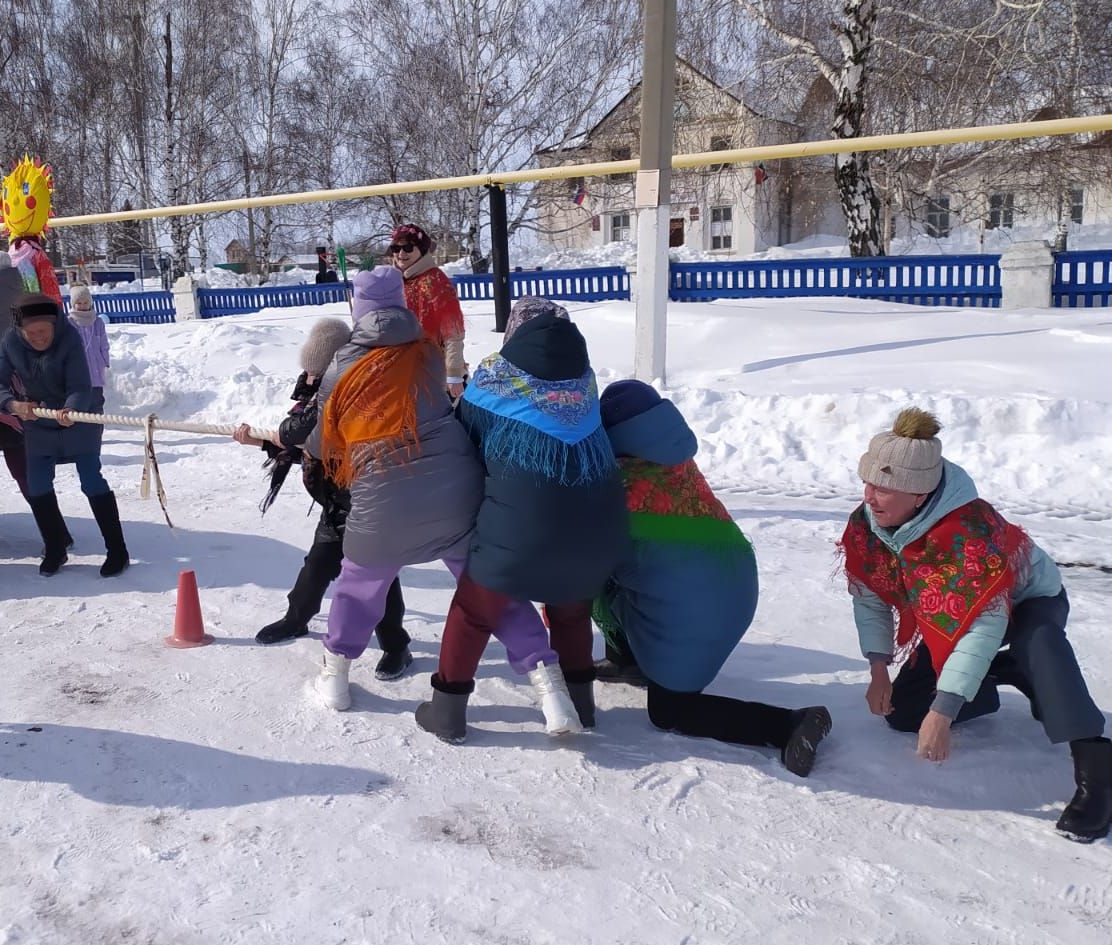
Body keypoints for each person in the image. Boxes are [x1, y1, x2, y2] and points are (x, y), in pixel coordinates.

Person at [842, 408, 1109, 840]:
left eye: (884, 489)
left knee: (1039, 645)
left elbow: (982, 626)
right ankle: (1007, 671)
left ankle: (1097, 774)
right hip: (953, 613)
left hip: (1027, 600)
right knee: (907, 713)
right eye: (868, 483)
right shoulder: (870, 523)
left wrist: (944, 714)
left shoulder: (969, 536)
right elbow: (869, 597)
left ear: (919, 494)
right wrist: (878, 670)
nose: (870, 497)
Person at [595, 380, 833, 775]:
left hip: (696, 607)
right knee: (621, 578)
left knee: (670, 711)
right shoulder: (674, 462)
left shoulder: (619, 481)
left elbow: (588, 559)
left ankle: (790, 723)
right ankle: (629, 661)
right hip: (736, 582)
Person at [420, 299, 630, 743]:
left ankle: (446, 712)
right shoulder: (585, 383)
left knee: (473, 612)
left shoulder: (492, 382)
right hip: (600, 531)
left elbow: (466, 445)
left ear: (514, 334)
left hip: (521, 534)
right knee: (570, 613)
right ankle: (582, 707)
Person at [307, 266, 504, 710]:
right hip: (455, 494)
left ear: (357, 308)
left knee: (357, 588)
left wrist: (287, 435)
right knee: (486, 581)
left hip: (384, 502)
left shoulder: (341, 364)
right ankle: (546, 678)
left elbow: (324, 443)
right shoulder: (430, 355)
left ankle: (335, 677)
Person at [233, 318, 413, 677]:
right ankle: (296, 619)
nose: (310, 378)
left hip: (369, 502)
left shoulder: (356, 397)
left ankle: (397, 646)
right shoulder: (313, 393)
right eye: (308, 371)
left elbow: (312, 436)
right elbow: (306, 446)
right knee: (316, 565)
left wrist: (279, 438)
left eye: (317, 372)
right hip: (336, 502)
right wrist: (262, 441)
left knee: (378, 579)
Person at [0, 297, 129, 578]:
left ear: (55, 325)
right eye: (32, 333)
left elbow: (81, 385)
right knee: (36, 482)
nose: (39, 338)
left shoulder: (69, 337)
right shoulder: (11, 342)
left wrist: (71, 408)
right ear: (20, 331)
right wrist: (13, 405)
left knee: (91, 478)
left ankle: (117, 550)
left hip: (80, 415)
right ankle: (55, 546)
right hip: (38, 417)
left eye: (44, 332)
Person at [389, 223, 467, 398]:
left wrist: (453, 373)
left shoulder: (435, 280)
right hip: (403, 369)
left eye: (408, 248)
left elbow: (453, 330)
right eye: (395, 248)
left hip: (433, 370)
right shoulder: (394, 280)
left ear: (422, 250)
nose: (401, 254)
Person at [65, 286, 110, 409]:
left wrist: (105, 360)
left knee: (96, 398)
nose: (83, 305)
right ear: (73, 304)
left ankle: (96, 419)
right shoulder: (69, 323)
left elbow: (104, 344)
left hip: (96, 365)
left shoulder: (97, 322)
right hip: (79, 367)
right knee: (81, 397)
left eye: (85, 302)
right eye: (79, 303)